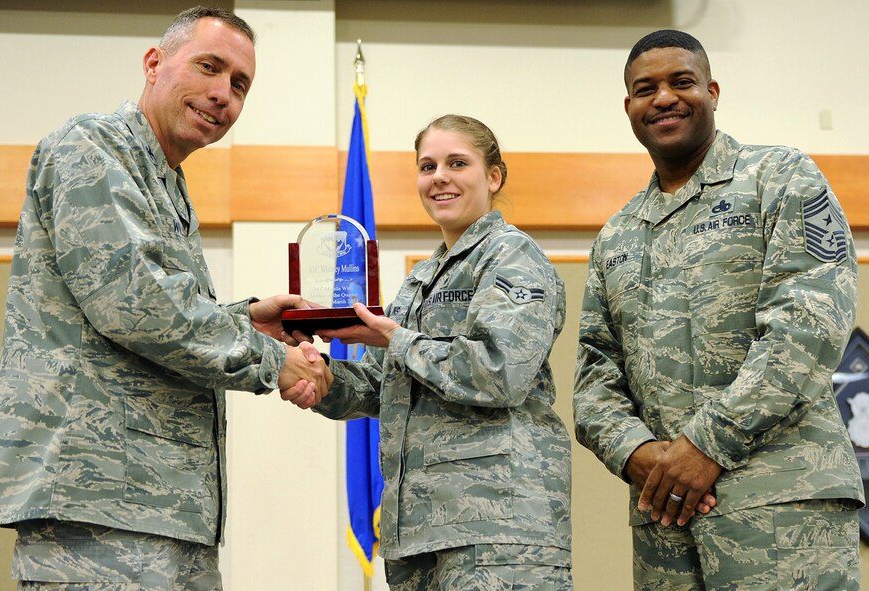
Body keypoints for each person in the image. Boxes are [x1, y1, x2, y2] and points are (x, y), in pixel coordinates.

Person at [0, 7, 329, 590]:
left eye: (239, 84)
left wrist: (244, 319)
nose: (222, 94)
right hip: (96, 507)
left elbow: (145, 311)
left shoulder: (166, 180)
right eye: (209, 67)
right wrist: (274, 362)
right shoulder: (91, 148)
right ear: (153, 63)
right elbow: (137, 306)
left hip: (166, 508)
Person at [573, 29, 863, 590]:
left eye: (681, 82)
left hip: (781, 507)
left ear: (712, 90)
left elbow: (807, 328)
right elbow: (593, 374)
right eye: (644, 88)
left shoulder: (779, 178)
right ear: (628, 107)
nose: (663, 98)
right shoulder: (617, 235)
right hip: (664, 519)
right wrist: (633, 453)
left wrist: (707, 442)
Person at [284, 115, 573, 589]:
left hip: (498, 529)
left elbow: (498, 372)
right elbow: (383, 384)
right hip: (418, 530)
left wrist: (396, 338)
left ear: (493, 176)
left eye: (457, 163)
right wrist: (321, 379)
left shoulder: (512, 257)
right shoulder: (421, 278)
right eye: (427, 165)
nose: (438, 176)